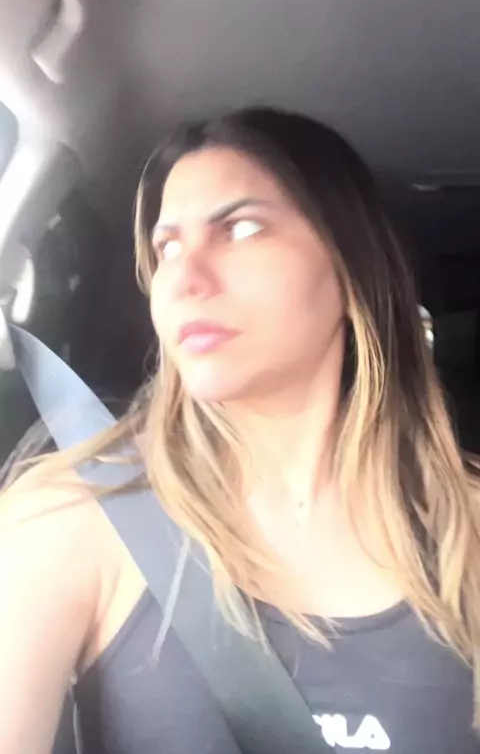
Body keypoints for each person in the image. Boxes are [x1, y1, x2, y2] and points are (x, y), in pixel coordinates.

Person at [1, 107, 480, 754]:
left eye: (242, 228)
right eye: (167, 248)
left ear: (351, 270)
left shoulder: (467, 526)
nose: (186, 278)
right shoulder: (75, 516)